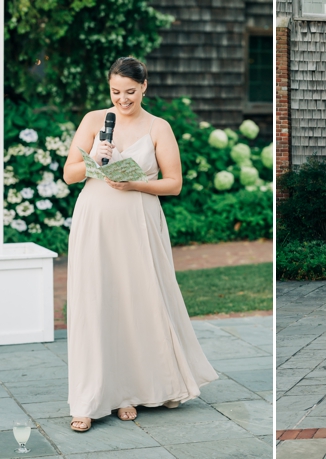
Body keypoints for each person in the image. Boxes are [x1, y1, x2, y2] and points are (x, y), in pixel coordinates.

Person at [62, 57, 218, 432]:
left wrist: (135, 184)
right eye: (116, 92)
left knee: (134, 303)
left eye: (130, 92)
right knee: (95, 303)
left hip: (138, 222)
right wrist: (93, 161)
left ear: (144, 86)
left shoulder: (158, 127)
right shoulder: (93, 121)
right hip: (95, 220)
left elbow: (174, 183)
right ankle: (86, 400)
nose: (122, 99)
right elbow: (69, 174)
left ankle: (128, 394)